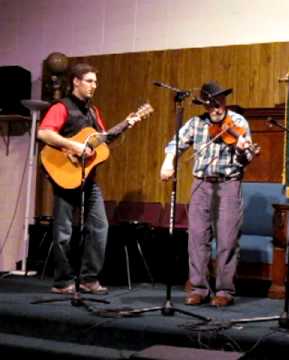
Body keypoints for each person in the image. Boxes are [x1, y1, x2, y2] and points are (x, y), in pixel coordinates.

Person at [38, 63, 141, 295]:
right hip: (64, 175)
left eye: (96, 81)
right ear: (76, 81)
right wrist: (72, 145)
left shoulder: (93, 112)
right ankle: (62, 281)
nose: (94, 85)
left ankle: (88, 278)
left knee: (100, 227)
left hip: (88, 179)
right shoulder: (61, 106)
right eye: (90, 81)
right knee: (63, 231)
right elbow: (44, 133)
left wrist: (125, 125)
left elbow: (100, 140)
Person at [160, 81, 255, 307]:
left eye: (220, 103)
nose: (217, 109)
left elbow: (246, 159)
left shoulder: (238, 122)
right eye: (211, 105)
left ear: (225, 102)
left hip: (228, 184)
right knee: (197, 238)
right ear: (204, 106)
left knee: (227, 239)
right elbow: (175, 144)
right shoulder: (196, 123)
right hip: (201, 184)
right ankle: (199, 288)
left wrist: (242, 150)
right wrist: (167, 162)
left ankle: (224, 290)